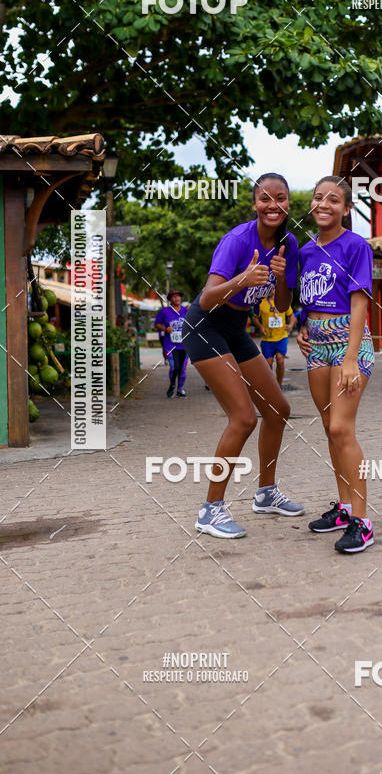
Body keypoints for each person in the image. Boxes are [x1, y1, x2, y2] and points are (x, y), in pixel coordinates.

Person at [182, 173, 305, 539]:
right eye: (265, 198)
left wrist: (280, 278)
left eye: (280, 198)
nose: (273, 205)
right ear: (255, 203)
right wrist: (243, 279)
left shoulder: (290, 242)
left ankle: (266, 493)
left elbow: (282, 305)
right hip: (204, 326)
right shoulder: (237, 240)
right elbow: (206, 298)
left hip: (235, 328)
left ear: (287, 204)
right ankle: (210, 510)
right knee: (243, 418)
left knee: (278, 409)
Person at [297, 175, 375, 554]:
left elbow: (359, 302)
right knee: (329, 428)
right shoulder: (306, 250)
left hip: (349, 346)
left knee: (343, 429)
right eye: (317, 198)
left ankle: (363, 521)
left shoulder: (356, 246)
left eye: (333, 200)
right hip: (317, 347)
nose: (323, 204)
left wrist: (349, 359)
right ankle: (343, 509)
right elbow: (310, 298)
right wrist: (302, 328)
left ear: (345, 209)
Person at [251, 296, 295, 387]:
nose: (272, 290)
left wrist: (290, 325)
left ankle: (279, 385)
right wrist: (261, 327)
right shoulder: (261, 302)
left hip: (281, 337)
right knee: (268, 363)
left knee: (280, 361)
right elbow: (255, 318)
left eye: (274, 287)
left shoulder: (282, 300)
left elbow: (291, 315)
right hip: (267, 339)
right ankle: (270, 385)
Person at [154, 290, 189, 398]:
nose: (177, 298)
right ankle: (172, 385)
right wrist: (165, 328)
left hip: (185, 345)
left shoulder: (186, 311)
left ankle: (180, 390)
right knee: (174, 367)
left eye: (178, 296)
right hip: (170, 344)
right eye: (174, 297)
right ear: (170, 299)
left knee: (182, 368)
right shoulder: (164, 311)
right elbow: (157, 324)